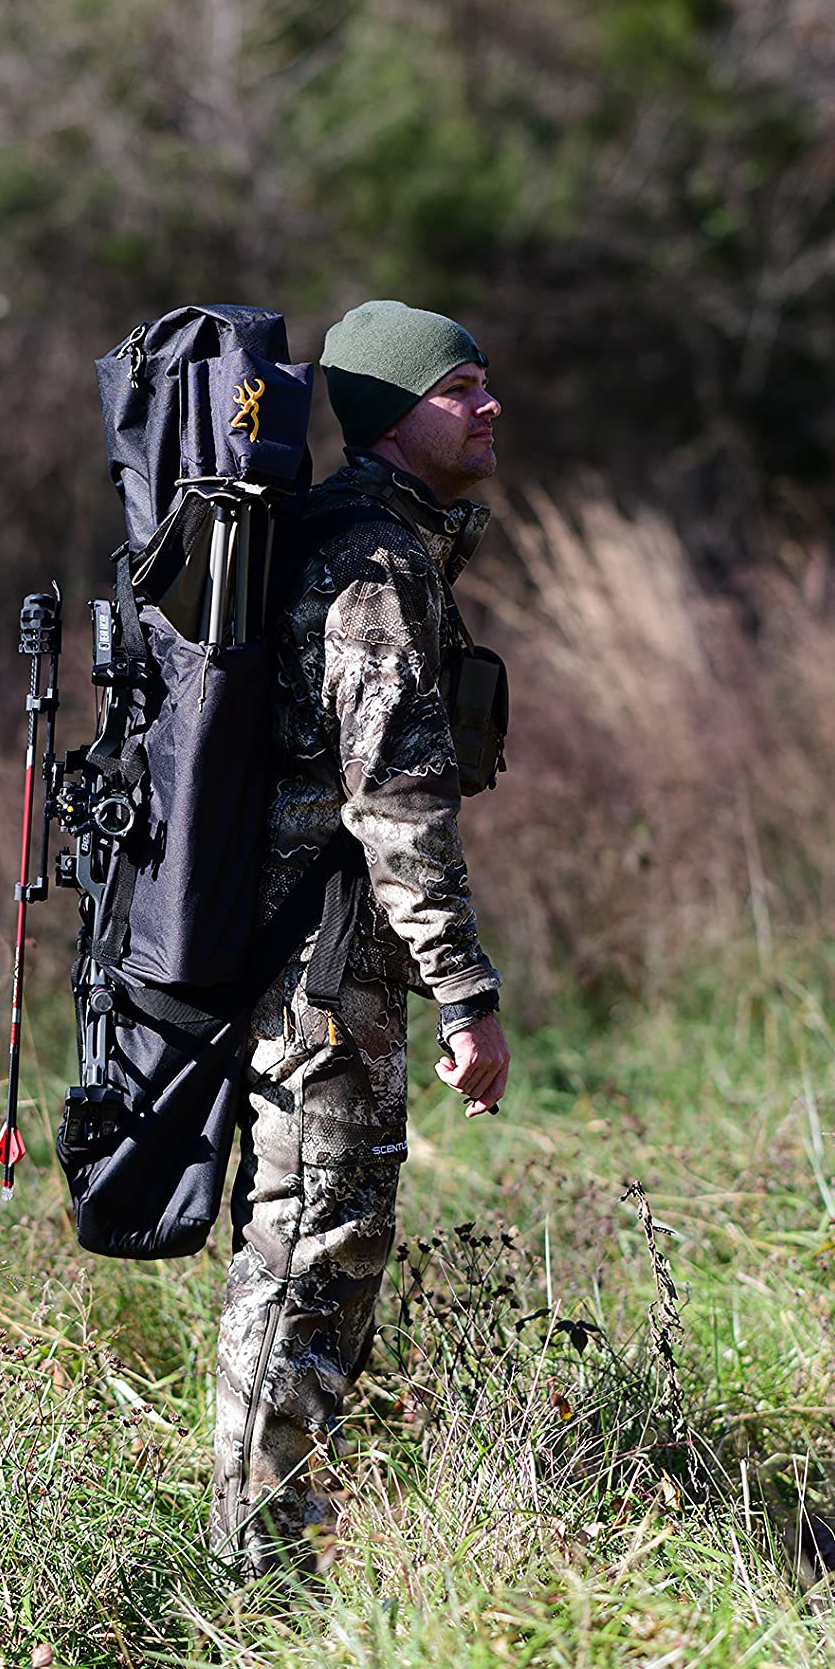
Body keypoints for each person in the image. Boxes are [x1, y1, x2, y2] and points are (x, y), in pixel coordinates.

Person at [212, 298, 511, 1578]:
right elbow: (393, 802)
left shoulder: (381, 541)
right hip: (324, 968)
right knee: (311, 1245)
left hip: (317, 957)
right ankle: (256, 1570)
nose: (489, 405)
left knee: (316, 1240)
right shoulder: (374, 563)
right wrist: (465, 992)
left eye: (487, 382)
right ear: (394, 419)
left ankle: (269, 1537)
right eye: (459, 390)